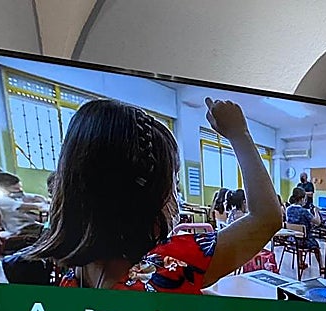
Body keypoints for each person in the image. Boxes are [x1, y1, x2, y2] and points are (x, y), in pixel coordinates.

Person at [21, 96, 280, 292]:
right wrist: (239, 134)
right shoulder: (166, 267)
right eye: (173, 185)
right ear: (145, 198)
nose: (176, 197)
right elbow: (267, 218)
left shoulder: (72, 273)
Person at [284, 187, 325, 277]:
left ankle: (300, 262)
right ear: (302, 199)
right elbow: (317, 222)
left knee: (299, 237)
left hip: (292, 240)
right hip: (305, 241)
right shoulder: (304, 211)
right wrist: (316, 211)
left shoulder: (288, 209)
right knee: (316, 246)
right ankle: (321, 267)